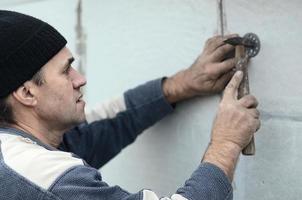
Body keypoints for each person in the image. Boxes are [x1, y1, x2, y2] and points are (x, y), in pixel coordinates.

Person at [0, 10, 260, 200]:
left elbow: (109, 124)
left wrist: (180, 85)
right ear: (26, 92)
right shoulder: (43, 177)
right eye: (66, 70)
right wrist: (226, 144)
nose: (80, 79)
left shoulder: (21, 144)